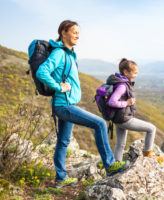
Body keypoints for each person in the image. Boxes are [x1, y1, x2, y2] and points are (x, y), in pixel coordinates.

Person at [36, 20, 126, 188]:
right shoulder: (59, 53)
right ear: (64, 33)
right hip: (64, 105)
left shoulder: (70, 54)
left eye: (79, 32)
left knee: (63, 141)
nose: (78, 35)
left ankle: (60, 178)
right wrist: (58, 87)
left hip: (67, 104)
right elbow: (42, 71)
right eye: (74, 31)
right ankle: (110, 165)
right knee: (99, 123)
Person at [106, 58, 164, 162]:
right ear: (126, 72)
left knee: (120, 144)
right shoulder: (122, 86)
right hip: (124, 119)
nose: (136, 75)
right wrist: (127, 103)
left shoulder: (119, 82)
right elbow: (111, 102)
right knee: (151, 129)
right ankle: (148, 154)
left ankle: (117, 164)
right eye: (135, 73)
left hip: (118, 119)